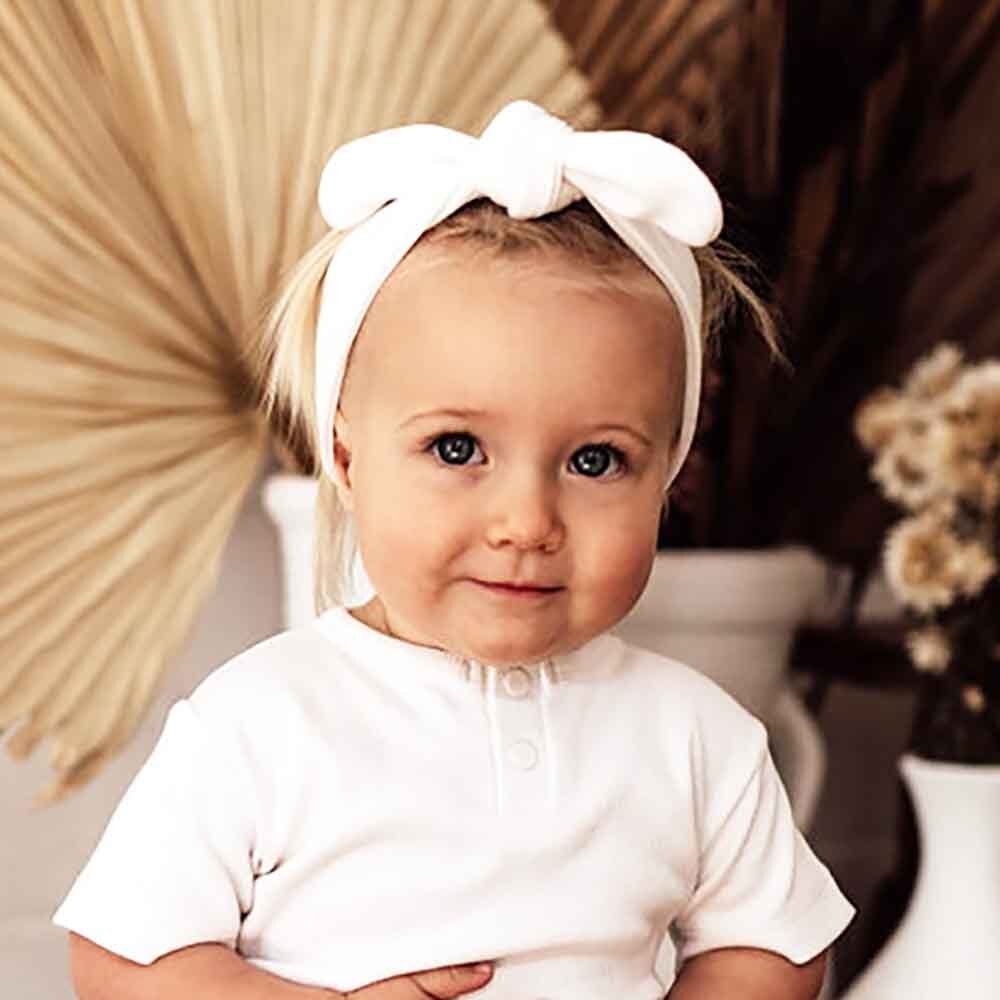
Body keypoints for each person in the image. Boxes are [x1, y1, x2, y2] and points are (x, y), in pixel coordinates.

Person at [54, 101, 855, 1000]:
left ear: (666, 476)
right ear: (347, 460)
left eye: (595, 461)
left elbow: (773, 943)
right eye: (458, 448)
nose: (527, 522)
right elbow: (124, 961)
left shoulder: (693, 735)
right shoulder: (262, 723)